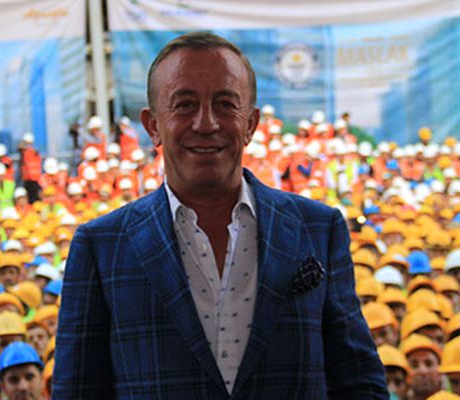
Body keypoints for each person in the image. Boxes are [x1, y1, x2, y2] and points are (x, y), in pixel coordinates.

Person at [53, 32, 387, 399]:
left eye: (225, 104)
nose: (206, 123)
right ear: (152, 126)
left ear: (251, 124)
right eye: (184, 105)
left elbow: (358, 382)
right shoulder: (101, 247)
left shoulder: (318, 229)